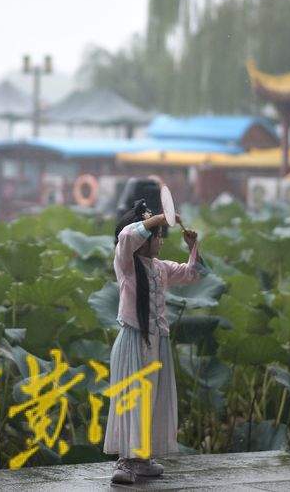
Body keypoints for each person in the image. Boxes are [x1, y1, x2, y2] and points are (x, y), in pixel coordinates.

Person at [102, 199, 210, 484]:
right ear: (144, 238)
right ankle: (125, 461)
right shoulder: (126, 263)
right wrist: (161, 217)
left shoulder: (160, 268)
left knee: (152, 398)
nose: (161, 240)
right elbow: (125, 236)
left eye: (162, 235)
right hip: (133, 339)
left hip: (157, 341)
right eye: (157, 235)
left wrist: (192, 248)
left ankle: (143, 458)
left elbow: (193, 274)